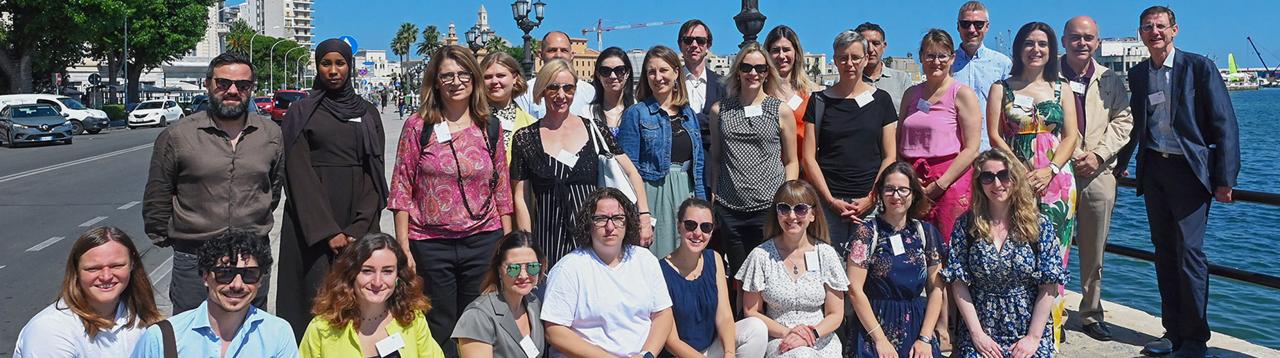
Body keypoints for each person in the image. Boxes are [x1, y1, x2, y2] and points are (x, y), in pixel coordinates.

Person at [1115, 6, 1240, 357]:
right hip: (1154, 169)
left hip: (1190, 171)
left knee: (1189, 253)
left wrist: (1225, 179)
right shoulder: (1139, 73)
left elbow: (1224, 123)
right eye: (1147, 27)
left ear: (1174, 30)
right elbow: (1138, 125)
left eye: (1160, 26)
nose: (1154, 32)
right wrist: (1121, 164)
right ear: (1140, 34)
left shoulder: (1199, 67)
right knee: (1164, 253)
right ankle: (1172, 332)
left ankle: (1196, 339)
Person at [388, 45, 514, 356]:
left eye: (463, 74)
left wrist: (508, 242)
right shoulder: (418, 126)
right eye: (447, 76)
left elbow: (502, 190)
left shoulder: (490, 127)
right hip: (430, 243)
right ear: (435, 80)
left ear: (474, 79)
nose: (456, 82)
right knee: (439, 324)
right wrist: (403, 245)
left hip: (483, 240)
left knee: (478, 323)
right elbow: (402, 186)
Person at [142, 52, 282, 314]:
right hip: (194, 259)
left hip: (251, 259)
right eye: (223, 83)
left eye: (242, 85)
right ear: (208, 84)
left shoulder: (270, 134)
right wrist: (176, 240)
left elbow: (272, 189)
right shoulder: (177, 135)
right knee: (192, 336)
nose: (232, 91)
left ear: (251, 89)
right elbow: (157, 196)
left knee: (251, 336)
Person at [278, 38, 390, 339]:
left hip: (358, 218)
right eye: (325, 63)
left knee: (362, 296)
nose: (333, 70)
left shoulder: (367, 112)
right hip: (312, 222)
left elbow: (374, 171)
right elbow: (297, 171)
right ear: (317, 67)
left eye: (339, 63)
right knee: (314, 300)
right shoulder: (302, 112)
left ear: (349, 67)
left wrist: (358, 226)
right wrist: (328, 231)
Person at [987, 22, 1080, 348]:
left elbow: (1072, 136)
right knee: (1017, 253)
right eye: (1029, 43)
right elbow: (996, 135)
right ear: (1019, 49)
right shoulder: (1002, 87)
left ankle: (1048, 336)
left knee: (1055, 259)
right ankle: (1016, 332)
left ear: (1052, 49)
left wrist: (1051, 169)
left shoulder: (1062, 87)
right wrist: (1019, 171)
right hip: (1015, 182)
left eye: (1043, 44)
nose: (1036, 49)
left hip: (1057, 184)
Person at [510, 59, 652, 270]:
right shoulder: (525, 138)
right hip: (548, 239)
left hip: (596, 236)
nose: (561, 95)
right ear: (541, 90)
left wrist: (644, 216)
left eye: (568, 88)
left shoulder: (594, 129)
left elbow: (631, 173)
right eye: (553, 87)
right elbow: (520, 197)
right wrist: (527, 246)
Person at [942, 149, 1064, 358]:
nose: (997, 184)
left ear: (1015, 178)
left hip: (1027, 328)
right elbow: (959, 283)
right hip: (981, 328)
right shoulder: (966, 225)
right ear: (979, 183)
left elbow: (1049, 285)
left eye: (1004, 175)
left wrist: (1033, 338)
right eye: (988, 177)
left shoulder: (1039, 225)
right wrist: (977, 335)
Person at [1057, 15, 1134, 343]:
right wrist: (1067, 156)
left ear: (1097, 42)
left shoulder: (1110, 80)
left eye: (1089, 37)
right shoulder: (1047, 76)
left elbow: (1123, 121)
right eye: (1075, 37)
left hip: (1098, 173)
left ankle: (1090, 312)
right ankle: (1050, 311)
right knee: (1049, 245)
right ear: (1064, 41)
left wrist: (1099, 155)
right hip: (1056, 171)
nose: (1082, 43)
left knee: (1094, 251)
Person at [542, 188, 674, 357]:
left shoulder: (645, 260)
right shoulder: (569, 268)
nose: (610, 226)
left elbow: (663, 314)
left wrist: (646, 355)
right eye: (601, 219)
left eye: (618, 218)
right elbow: (554, 331)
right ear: (589, 223)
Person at [801, 30, 897, 260]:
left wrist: (871, 197)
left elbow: (889, 155)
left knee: (868, 273)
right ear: (835, 60)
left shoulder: (881, 101)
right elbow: (809, 157)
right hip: (828, 204)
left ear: (865, 59)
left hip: (869, 204)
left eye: (855, 57)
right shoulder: (819, 101)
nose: (849, 63)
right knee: (829, 272)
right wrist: (831, 201)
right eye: (843, 57)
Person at [708, 42, 799, 278]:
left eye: (760, 68)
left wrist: (785, 200)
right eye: (747, 67)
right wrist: (715, 196)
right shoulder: (720, 110)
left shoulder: (780, 110)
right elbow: (716, 158)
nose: (753, 73)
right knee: (740, 276)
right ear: (737, 70)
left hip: (768, 208)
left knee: (771, 275)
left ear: (768, 72)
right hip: (730, 208)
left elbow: (791, 160)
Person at [131, 229, 298, 357]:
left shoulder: (277, 333)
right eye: (225, 274)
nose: (237, 284)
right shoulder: (163, 337)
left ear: (260, 280)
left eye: (249, 274)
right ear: (205, 277)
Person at [737, 180, 848, 357]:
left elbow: (835, 313)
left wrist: (811, 335)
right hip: (780, 339)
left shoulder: (826, 254)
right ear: (777, 213)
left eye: (800, 209)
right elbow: (751, 311)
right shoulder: (761, 256)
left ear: (813, 214)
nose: (791, 216)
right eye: (784, 208)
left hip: (821, 340)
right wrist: (788, 334)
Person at [844, 163, 944, 358]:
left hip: (917, 326)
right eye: (889, 189)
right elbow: (855, 290)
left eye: (903, 190)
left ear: (913, 193)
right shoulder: (866, 233)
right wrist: (880, 340)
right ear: (880, 193)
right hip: (873, 327)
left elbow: (936, 289)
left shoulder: (926, 233)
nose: (896, 196)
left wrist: (924, 339)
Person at [617, 45, 707, 259]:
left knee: (687, 258)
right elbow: (628, 170)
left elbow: (699, 166)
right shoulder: (636, 114)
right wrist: (642, 213)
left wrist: (703, 207)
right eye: (651, 71)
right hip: (653, 194)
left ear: (676, 72)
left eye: (663, 70)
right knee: (657, 258)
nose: (658, 77)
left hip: (687, 191)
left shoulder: (689, 114)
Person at [14, 227, 162, 357]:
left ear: (132, 265)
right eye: (93, 268)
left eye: (116, 266)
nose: (106, 276)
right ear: (76, 271)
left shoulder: (141, 317)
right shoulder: (50, 330)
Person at [900, 28, 983, 245]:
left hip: (950, 181)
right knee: (912, 246)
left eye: (942, 55)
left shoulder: (962, 94)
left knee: (948, 246)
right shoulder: (911, 94)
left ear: (952, 58)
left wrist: (940, 185)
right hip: (912, 180)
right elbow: (898, 139)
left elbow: (972, 148)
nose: (936, 61)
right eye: (930, 55)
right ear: (921, 57)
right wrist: (910, 180)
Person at [300, 233, 444, 358]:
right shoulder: (322, 329)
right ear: (351, 275)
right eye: (367, 271)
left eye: (387, 271)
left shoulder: (413, 320)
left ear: (398, 276)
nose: (377, 282)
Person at [661, 198, 769, 358]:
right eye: (690, 225)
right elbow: (671, 341)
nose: (698, 233)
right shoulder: (660, 270)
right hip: (679, 355)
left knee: (756, 328)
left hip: (711, 349)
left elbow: (725, 316)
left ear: (712, 231)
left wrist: (729, 353)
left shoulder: (714, 259)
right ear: (679, 226)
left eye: (706, 227)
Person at [452, 231, 547, 358]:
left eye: (532, 267)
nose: (523, 276)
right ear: (499, 270)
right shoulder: (478, 317)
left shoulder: (534, 304)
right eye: (513, 268)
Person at [952, 1, 1013, 150]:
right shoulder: (946, 63)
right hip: (954, 150)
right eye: (966, 24)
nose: (972, 29)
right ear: (958, 26)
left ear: (987, 27)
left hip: (991, 150)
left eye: (978, 24)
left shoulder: (1003, 64)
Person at [764, 25, 818, 166]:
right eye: (775, 50)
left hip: (803, 175)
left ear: (796, 53)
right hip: (769, 174)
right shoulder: (760, 93)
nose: (781, 56)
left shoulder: (811, 92)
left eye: (786, 50)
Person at [514, 31, 596, 119]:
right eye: (552, 50)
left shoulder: (589, 91)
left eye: (564, 50)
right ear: (540, 55)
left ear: (572, 55)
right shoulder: (525, 92)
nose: (558, 55)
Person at [480, 51, 537, 162]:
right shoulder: (470, 118)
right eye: (487, 77)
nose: (494, 81)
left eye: (501, 76)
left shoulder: (531, 124)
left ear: (514, 77)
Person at [855, 22, 913, 110]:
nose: (870, 49)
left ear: (884, 46)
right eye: (865, 44)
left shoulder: (901, 80)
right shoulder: (846, 81)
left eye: (876, 43)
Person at [588, 47, 637, 137]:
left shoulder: (639, 111)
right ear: (598, 75)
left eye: (619, 70)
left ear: (627, 73)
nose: (613, 76)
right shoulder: (587, 113)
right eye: (606, 71)